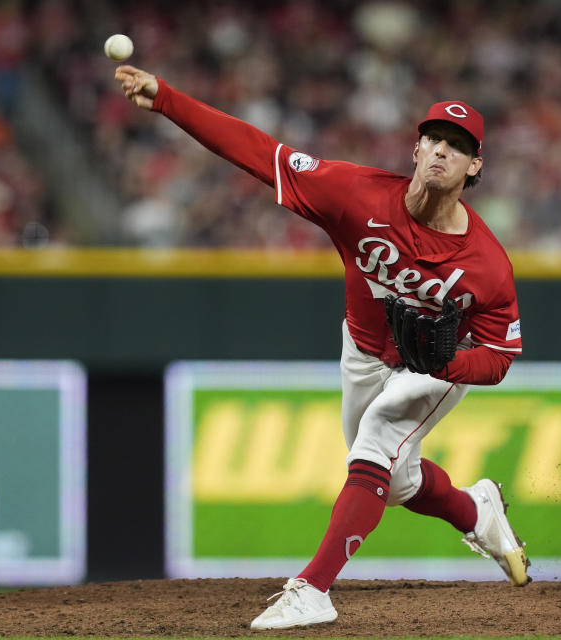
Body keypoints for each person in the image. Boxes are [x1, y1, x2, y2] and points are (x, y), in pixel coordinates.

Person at [114, 64, 529, 629]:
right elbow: (259, 152)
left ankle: (312, 588)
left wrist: (448, 362)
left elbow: (500, 357)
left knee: (378, 441)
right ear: (416, 148)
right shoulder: (353, 193)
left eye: (457, 147)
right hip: (360, 352)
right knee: (396, 480)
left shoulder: (487, 264)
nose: (441, 151)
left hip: (432, 368)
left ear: (474, 165)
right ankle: (477, 511)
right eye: (433, 138)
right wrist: (166, 99)